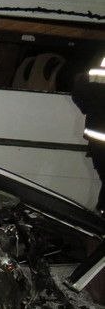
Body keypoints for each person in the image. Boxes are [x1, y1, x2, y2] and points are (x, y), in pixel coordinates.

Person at [71, 58, 105, 215]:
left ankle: (100, 214)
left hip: (96, 138)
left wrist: (89, 109)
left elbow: (78, 91)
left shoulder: (93, 73)